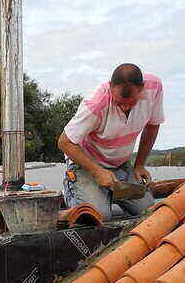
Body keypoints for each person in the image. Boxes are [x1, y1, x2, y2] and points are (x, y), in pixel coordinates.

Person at [57, 63, 163, 220]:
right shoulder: (97, 102)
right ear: (111, 87)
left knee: (147, 210)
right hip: (87, 164)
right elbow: (64, 142)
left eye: (132, 102)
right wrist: (97, 171)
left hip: (120, 165)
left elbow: (153, 126)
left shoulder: (154, 88)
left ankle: (106, 193)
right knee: (99, 216)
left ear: (142, 89)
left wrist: (139, 164)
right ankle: (72, 189)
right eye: (120, 103)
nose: (126, 107)